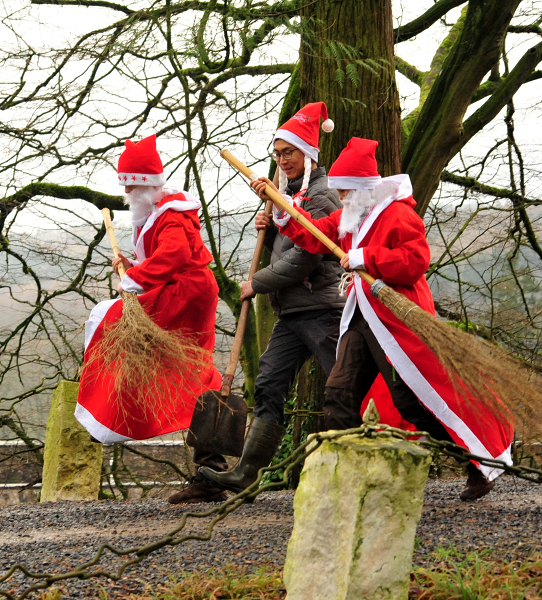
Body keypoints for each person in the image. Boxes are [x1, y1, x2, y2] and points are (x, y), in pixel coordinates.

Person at [247, 137, 515, 501]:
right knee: (339, 395)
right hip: (362, 315)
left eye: (344, 191)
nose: (340, 198)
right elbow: (316, 236)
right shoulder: (353, 213)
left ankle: (476, 461)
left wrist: (366, 258)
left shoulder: (399, 214)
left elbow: (416, 262)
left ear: (361, 189)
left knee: (410, 401)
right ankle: (352, 483)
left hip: (398, 317)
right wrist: (283, 211)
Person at [199, 102, 347, 494]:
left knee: (341, 387)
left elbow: (307, 256)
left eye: (290, 153)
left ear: (309, 153)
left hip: (322, 308)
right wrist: (269, 237)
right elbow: (287, 251)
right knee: (268, 383)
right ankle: (247, 475)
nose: (283, 161)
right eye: (278, 154)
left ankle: (354, 467)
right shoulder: (288, 195)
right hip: (293, 311)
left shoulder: (323, 197)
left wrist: (257, 282)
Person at [75, 134, 227, 501]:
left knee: (109, 319)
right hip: (184, 292)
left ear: (145, 185)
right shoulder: (163, 212)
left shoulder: (170, 215)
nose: (127, 193)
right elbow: (165, 256)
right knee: (190, 371)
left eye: (130, 185)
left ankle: (110, 410)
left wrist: (135, 278)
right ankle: (211, 468)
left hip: (185, 296)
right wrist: (134, 267)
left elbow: (173, 255)